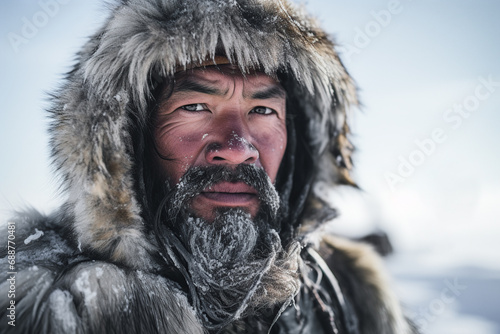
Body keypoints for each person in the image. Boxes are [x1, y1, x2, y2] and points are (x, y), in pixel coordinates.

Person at [0, 0, 418, 333]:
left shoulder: (348, 297)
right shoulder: (43, 304)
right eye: (196, 107)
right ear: (127, 138)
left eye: (261, 109)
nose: (237, 149)